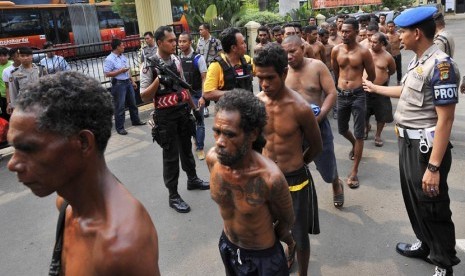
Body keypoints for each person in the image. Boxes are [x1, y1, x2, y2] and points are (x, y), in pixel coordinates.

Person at [7, 71, 161, 276]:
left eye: (29, 148)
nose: (13, 164)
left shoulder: (122, 247)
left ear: (83, 143)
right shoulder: (66, 203)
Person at [363, 7, 460, 276]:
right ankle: (425, 244)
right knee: (414, 200)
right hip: (408, 144)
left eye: (402, 31)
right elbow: (406, 92)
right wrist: (375, 88)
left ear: (417, 33)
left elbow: (446, 121)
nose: (397, 36)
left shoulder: (441, 66)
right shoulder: (419, 60)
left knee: (433, 205)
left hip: (426, 150)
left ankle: (443, 262)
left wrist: (434, 167)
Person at [207, 89, 295, 276]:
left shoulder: (270, 178)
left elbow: (287, 220)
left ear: (253, 134)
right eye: (217, 132)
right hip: (228, 246)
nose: (220, 142)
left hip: (263, 259)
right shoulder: (213, 160)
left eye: (229, 134)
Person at [255, 43, 323, 276]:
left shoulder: (300, 107)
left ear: (284, 73)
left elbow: (316, 145)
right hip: (265, 179)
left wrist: (299, 163)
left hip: (295, 181)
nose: (264, 84)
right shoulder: (256, 103)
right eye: (260, 77)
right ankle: (287, 246)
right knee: (264, 229)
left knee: (299, 234)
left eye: (270, 77)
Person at [140, 26, 209, 214]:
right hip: (165, 118)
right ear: (160, 42)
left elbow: (183, 87)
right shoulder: (149, 65)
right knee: (171, 157)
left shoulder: (176, 61)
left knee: (187, 149)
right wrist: (158, 80)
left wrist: (195, 110)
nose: (174, 44)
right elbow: (144, 96)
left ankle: (192, 179)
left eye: (175, 40)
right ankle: (173, 196)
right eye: (170, 41)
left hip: (182, 113)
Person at [282, 36, 343, 208]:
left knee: (327, 169)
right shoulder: (282, 71)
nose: (288, 56)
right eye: (285, 53)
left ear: (302, 48)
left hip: (319, 124)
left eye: (292, 51)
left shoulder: (317, 66)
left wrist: (321, 114)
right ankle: (298, 200)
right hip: (293, 128)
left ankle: (336, 183)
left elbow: (331, 93)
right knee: (295, 165)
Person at [331, 17, 376, 189]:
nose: (344, 33)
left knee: (359, 134)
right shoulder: (336, 50)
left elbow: (371, 75)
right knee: (342, 129)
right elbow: (336, 71)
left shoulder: (364, 52)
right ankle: (354, 145)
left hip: (358, 95)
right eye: (342, 30)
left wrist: (361, 87)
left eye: (347, 31)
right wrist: (341, 86)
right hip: (342, 94)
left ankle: (354, 171)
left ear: (357, 32)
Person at [103, 38, 145, 135]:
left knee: (133, 103)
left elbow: (127, 70)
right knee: (120, 106)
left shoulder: (123, 57)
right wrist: (119, 72)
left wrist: (132, 81)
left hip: (127, 82)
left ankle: (136, 120)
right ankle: (120, 127)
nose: (123, 47)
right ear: (117, 47)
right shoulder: (109, 59)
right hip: (118, 84)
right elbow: (107, 74)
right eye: (122, 45)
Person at [178, 32, 208, 160]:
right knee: (186, 122)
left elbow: (204, 78)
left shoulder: (198, 58)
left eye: (184, 41)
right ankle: (195, 139)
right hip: (184, 96)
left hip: (196, 94)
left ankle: (200, 148)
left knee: (199, 120)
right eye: (179, 41)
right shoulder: (177, 59)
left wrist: (203, 96)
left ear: (190, 42)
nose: (181, 44)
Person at [203, 27, 254, 102]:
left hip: (248, 110)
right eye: (242, 43)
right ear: (233, 48)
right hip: (228, 111)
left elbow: (263, 71)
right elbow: (208, 94)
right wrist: (235, 94)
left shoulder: (247, 60)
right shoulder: (216, 66)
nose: (245, 45)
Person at [364, 32, 396, 147]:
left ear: (382, 43)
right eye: (370, 41)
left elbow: (392, 71)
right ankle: (366, 128)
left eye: (375, 42)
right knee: (364, 113)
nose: (372, 44)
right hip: (365, 89)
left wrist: (382, 79)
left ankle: (378, 135)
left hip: (380, 90)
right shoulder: (365, 53)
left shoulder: (387, 57)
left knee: (381, 114)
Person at [9, 47, 47, 116]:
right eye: (22, 56)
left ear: (32, 56)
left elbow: (47, 86)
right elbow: (13, 92)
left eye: (27, 55)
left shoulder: (41, 69)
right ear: (19, 57)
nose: (25, 58)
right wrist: (14, 107)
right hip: (25, 105)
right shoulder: (15, 73)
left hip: (41, 103)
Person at [196, 23, 223, 118]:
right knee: (205, 87)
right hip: (203, 68)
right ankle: (205, 107)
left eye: (201, 29)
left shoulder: (215, 41)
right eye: (199, 30)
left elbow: (220, 54)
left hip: (213, 67)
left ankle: (219, 106)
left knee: (215, 87)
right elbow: (198, 54)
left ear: (207, 30)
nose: (200, 31)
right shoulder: (199, 41)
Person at [2, 48, 20, 115]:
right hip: (15, 101)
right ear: (12, 57)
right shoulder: (7, 71)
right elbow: (7, 88)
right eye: (18, 55)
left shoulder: (30, 67)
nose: (21, 57)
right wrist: (9, 103)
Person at [386, 21, 403, 85]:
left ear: (394, 27)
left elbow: (403, 42)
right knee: (388, 70)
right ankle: (386, 83)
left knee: (399, 69)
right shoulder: (386, 36)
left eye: (392, 26)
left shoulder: (398, 35)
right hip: (389, 56)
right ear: (387, 27)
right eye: (389, 27)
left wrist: (399, 48)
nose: (390, 28)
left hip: (397, 54)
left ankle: (399, 82)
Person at [0, 47, 12, 121]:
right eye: (0, 56)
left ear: (8, 56)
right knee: (5, 116)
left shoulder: (12, 65)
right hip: (3, 96)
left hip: (14, 95)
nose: (2, 58)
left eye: (4, 55)